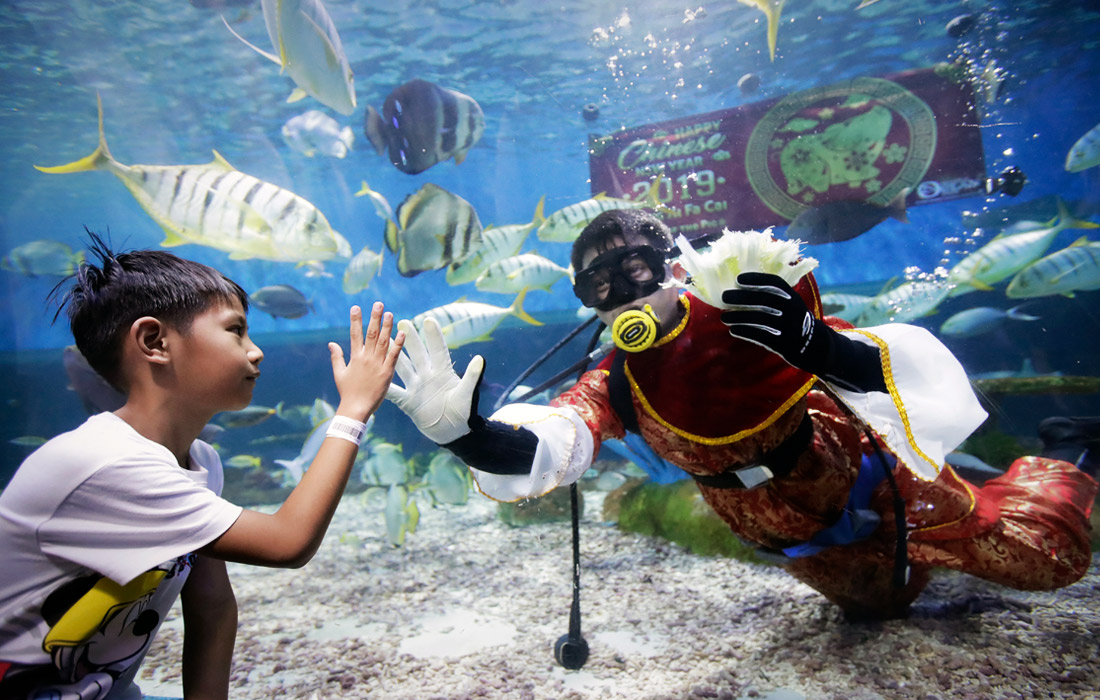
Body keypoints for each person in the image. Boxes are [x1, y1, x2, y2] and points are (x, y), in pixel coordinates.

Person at [386, 208, 1097, 620]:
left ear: (670, 267)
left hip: (870, 483)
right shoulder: (617, 378)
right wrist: (464, 436)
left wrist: (815, 344)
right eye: (599, 285)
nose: (621, 295)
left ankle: (1067, 453)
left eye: (634, 270)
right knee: (884, 605)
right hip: (788, 532)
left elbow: (894, 371)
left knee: (1049, 560)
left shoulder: (746, 313)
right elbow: (554, 443)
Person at [0, 234, 405, 700]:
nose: (256, 351)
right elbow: (287, 542)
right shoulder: (104, 464)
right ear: (154, 341)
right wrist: (352, 410)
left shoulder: (199, 459)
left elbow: (211, 607)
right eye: (235, 331)